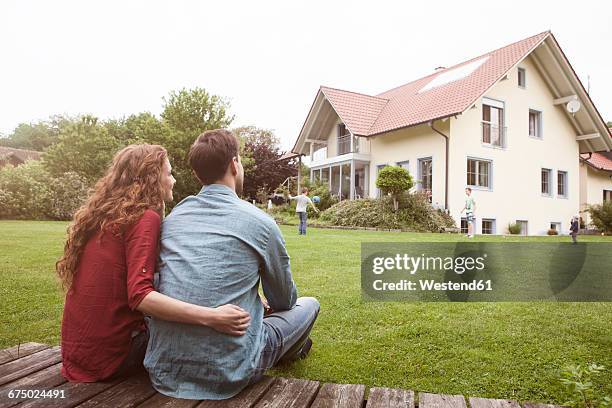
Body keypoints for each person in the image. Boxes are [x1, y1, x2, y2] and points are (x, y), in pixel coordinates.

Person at [144, 129, 320, 400]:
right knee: (308, 304)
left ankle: (292, 345)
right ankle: (294, 348)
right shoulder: (260, 222)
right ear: (234, 164)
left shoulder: (174, 219)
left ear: (196, 173)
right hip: (232, 370)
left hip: (165, 370)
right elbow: (284, 300)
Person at [58, 144, 251, 382]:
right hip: (113, 358)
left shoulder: (107, 216)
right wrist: (212, 316)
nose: (174, 180)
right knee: (198, 332)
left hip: (78, 355)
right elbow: (140, 296)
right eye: (169, 174)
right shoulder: (144, 217)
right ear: (151, 179)